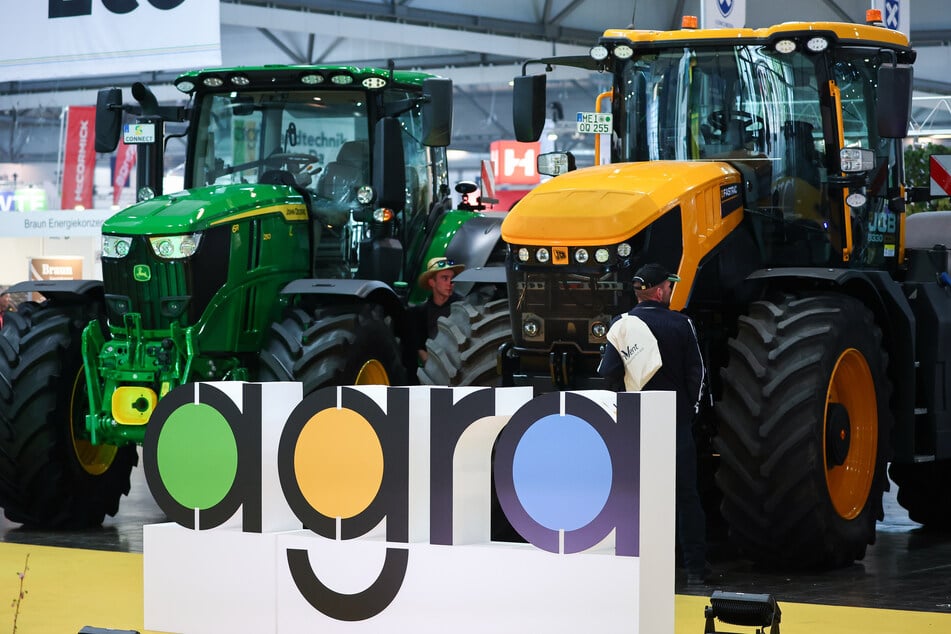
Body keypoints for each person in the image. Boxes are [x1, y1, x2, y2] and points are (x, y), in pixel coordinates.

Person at [597, 262, 709, 585]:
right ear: (660, 290)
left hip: (640, 424)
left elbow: (607, 373)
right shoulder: (682, 324)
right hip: (675, 425)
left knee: (642, 497)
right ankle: (696, 570)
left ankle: (651, 568)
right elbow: (698, 374)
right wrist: (689, 413)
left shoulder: (621, 325)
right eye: (669, 287)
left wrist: (627, 408)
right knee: (686, 497)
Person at [407, 257, 465, 366]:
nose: (450, 283)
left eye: (452, 279)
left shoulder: (463, 307)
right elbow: (420, 347)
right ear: (432, 282)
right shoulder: (420, 312)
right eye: (444, 278)